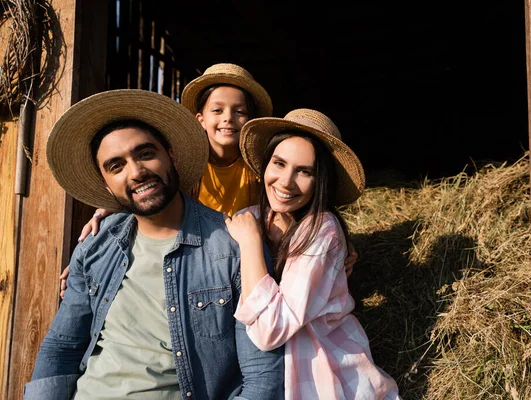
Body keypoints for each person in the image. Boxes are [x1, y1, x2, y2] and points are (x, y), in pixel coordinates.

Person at [24, 89, 284, 400]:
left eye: (146, 154)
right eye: (116, 166)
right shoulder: (96, 246)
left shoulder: (234, 246)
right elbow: (61, 348)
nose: (136, 172)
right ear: (106, 183)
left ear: (170, 156)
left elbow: (263, 377)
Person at [60, 63, 358, 298]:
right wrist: (105, 215)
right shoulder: (186, 167)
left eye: (239, 112)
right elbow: (146, 194)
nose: (228, 118)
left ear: (249, 121)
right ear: (200, 118)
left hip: (247, 256)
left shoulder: (262, 168)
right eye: (217, 110)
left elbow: (302, 202)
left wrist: (335, 245)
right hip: (196, 250)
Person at [225, 108, 401, 399]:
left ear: (321, 181)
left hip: (324, 373)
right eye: (279, 163)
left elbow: (270, 330)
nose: (285, 182)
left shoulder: (323, 231)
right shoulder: (252, 218)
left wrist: (250, 244)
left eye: (304, 171)